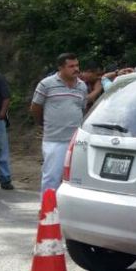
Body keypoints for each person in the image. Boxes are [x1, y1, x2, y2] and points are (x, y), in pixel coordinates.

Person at [30, 53, 89, 195]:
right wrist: (43, 124)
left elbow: (82, 108)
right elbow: (35, 107)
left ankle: (66, 210)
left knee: (74, 179)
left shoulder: (82, 86)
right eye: (71, 66)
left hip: (76, 140)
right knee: (51, 177)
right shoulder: (47, 84)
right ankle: (48, 211)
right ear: (61, 67)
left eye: (77, 65)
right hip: (54, 140)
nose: (76, 69)